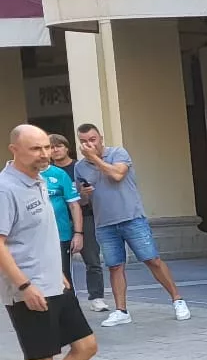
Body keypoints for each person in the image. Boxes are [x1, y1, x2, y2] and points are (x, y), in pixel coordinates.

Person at [5, 124, 97, 360]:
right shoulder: (6, 188)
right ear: (15, 149)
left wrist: (57, 272)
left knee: (85, 345)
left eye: (46, 147)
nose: (44, 154)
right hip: (28, 288)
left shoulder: (42, 180)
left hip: (53, 282)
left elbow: (38, 235)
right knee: (39, 359)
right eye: (36, 149)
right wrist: (24, 285)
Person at [73, 124, 190, 326]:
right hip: (105, 223)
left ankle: (177, 299)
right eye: (83, 141)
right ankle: (121, 310)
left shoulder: (118, 152)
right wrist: (84, 194)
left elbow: (118, 175)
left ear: (101, 138)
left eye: (92, 139)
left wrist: (95, 159)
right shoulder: (80, 167)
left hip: (131, 217)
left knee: (151, 259)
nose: (88, 144)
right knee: (115, 266)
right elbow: (82, 201)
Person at [47, 135, 105, 311]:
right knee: (61, 262)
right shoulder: (46, 172)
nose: (55, 150)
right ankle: (65, 297)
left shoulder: (78, 167)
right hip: (58, 220)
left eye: (59, 146)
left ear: (67, 148)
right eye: (51, 147)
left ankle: (96, 297)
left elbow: (91, 191)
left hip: (84, 215)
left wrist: (86, 193)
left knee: (91, 257)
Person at [37, 137, 83, 289]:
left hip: (61, 234)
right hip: (36, 236)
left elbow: (74, 205)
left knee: (63, 275)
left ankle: (68, 309)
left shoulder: (59, 174)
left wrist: (78, 233)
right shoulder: (26, 175)